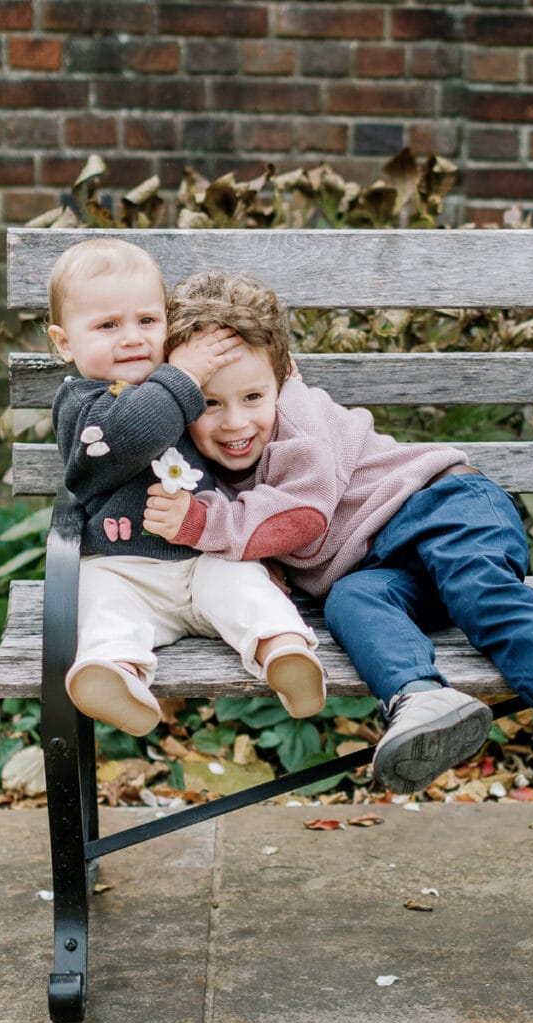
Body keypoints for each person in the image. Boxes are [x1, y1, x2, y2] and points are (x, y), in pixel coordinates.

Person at [142, 270, 533, 828]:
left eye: (253, 397)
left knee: (477, 589)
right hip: (381, 567)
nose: (234, 421)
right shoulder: (193, 449)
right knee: (351, 602)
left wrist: (202, 525)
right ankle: (421, 700)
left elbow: (302, 517)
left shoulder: (300, 416)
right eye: (209, 403)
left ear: (284, 378)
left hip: (442, 507)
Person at [47, 239, 325, 737]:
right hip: (120, 567)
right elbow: (126, 434)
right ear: (65, 343)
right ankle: (116, 676)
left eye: (147, 322)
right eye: (108, 325)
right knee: (104, 608)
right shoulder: (83, 404)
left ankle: (282, 651)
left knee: (245, 588)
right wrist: (183, 375)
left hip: (201, 559)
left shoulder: (185, 385)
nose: (132, 338)